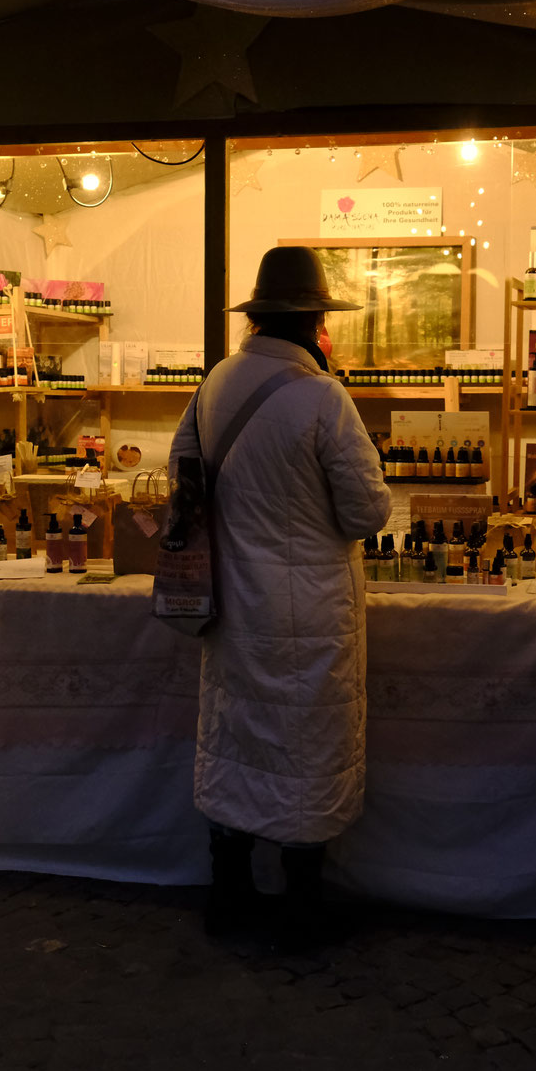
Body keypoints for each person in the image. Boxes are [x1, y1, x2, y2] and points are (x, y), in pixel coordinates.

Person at [169, 246, 393, 945]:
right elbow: (366, 514)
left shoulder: (213, 386)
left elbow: (182, 475)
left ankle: (229, 895)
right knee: (308, 750)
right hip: (310, 614)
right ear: (312, 320)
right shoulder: (323, 397)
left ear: (257, 318)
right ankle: (302, 907)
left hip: (232, 608)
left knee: (238, 738)